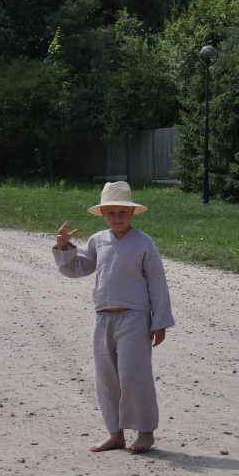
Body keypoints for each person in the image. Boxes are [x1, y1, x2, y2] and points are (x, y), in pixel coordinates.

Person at [53, 181, 174, 453]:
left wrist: (160, 322)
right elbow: (78, 268)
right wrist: (63, 247)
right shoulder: (98, 241)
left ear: (131, 214)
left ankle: (145, 432)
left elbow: (157, 283)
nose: (117, 218)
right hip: (103, 318)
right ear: (103, 215)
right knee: (106, 377)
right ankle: (115, 433)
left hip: (135, 318)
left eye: (122, 212)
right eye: (111, 213)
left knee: (134, 375)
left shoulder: (144, 242)